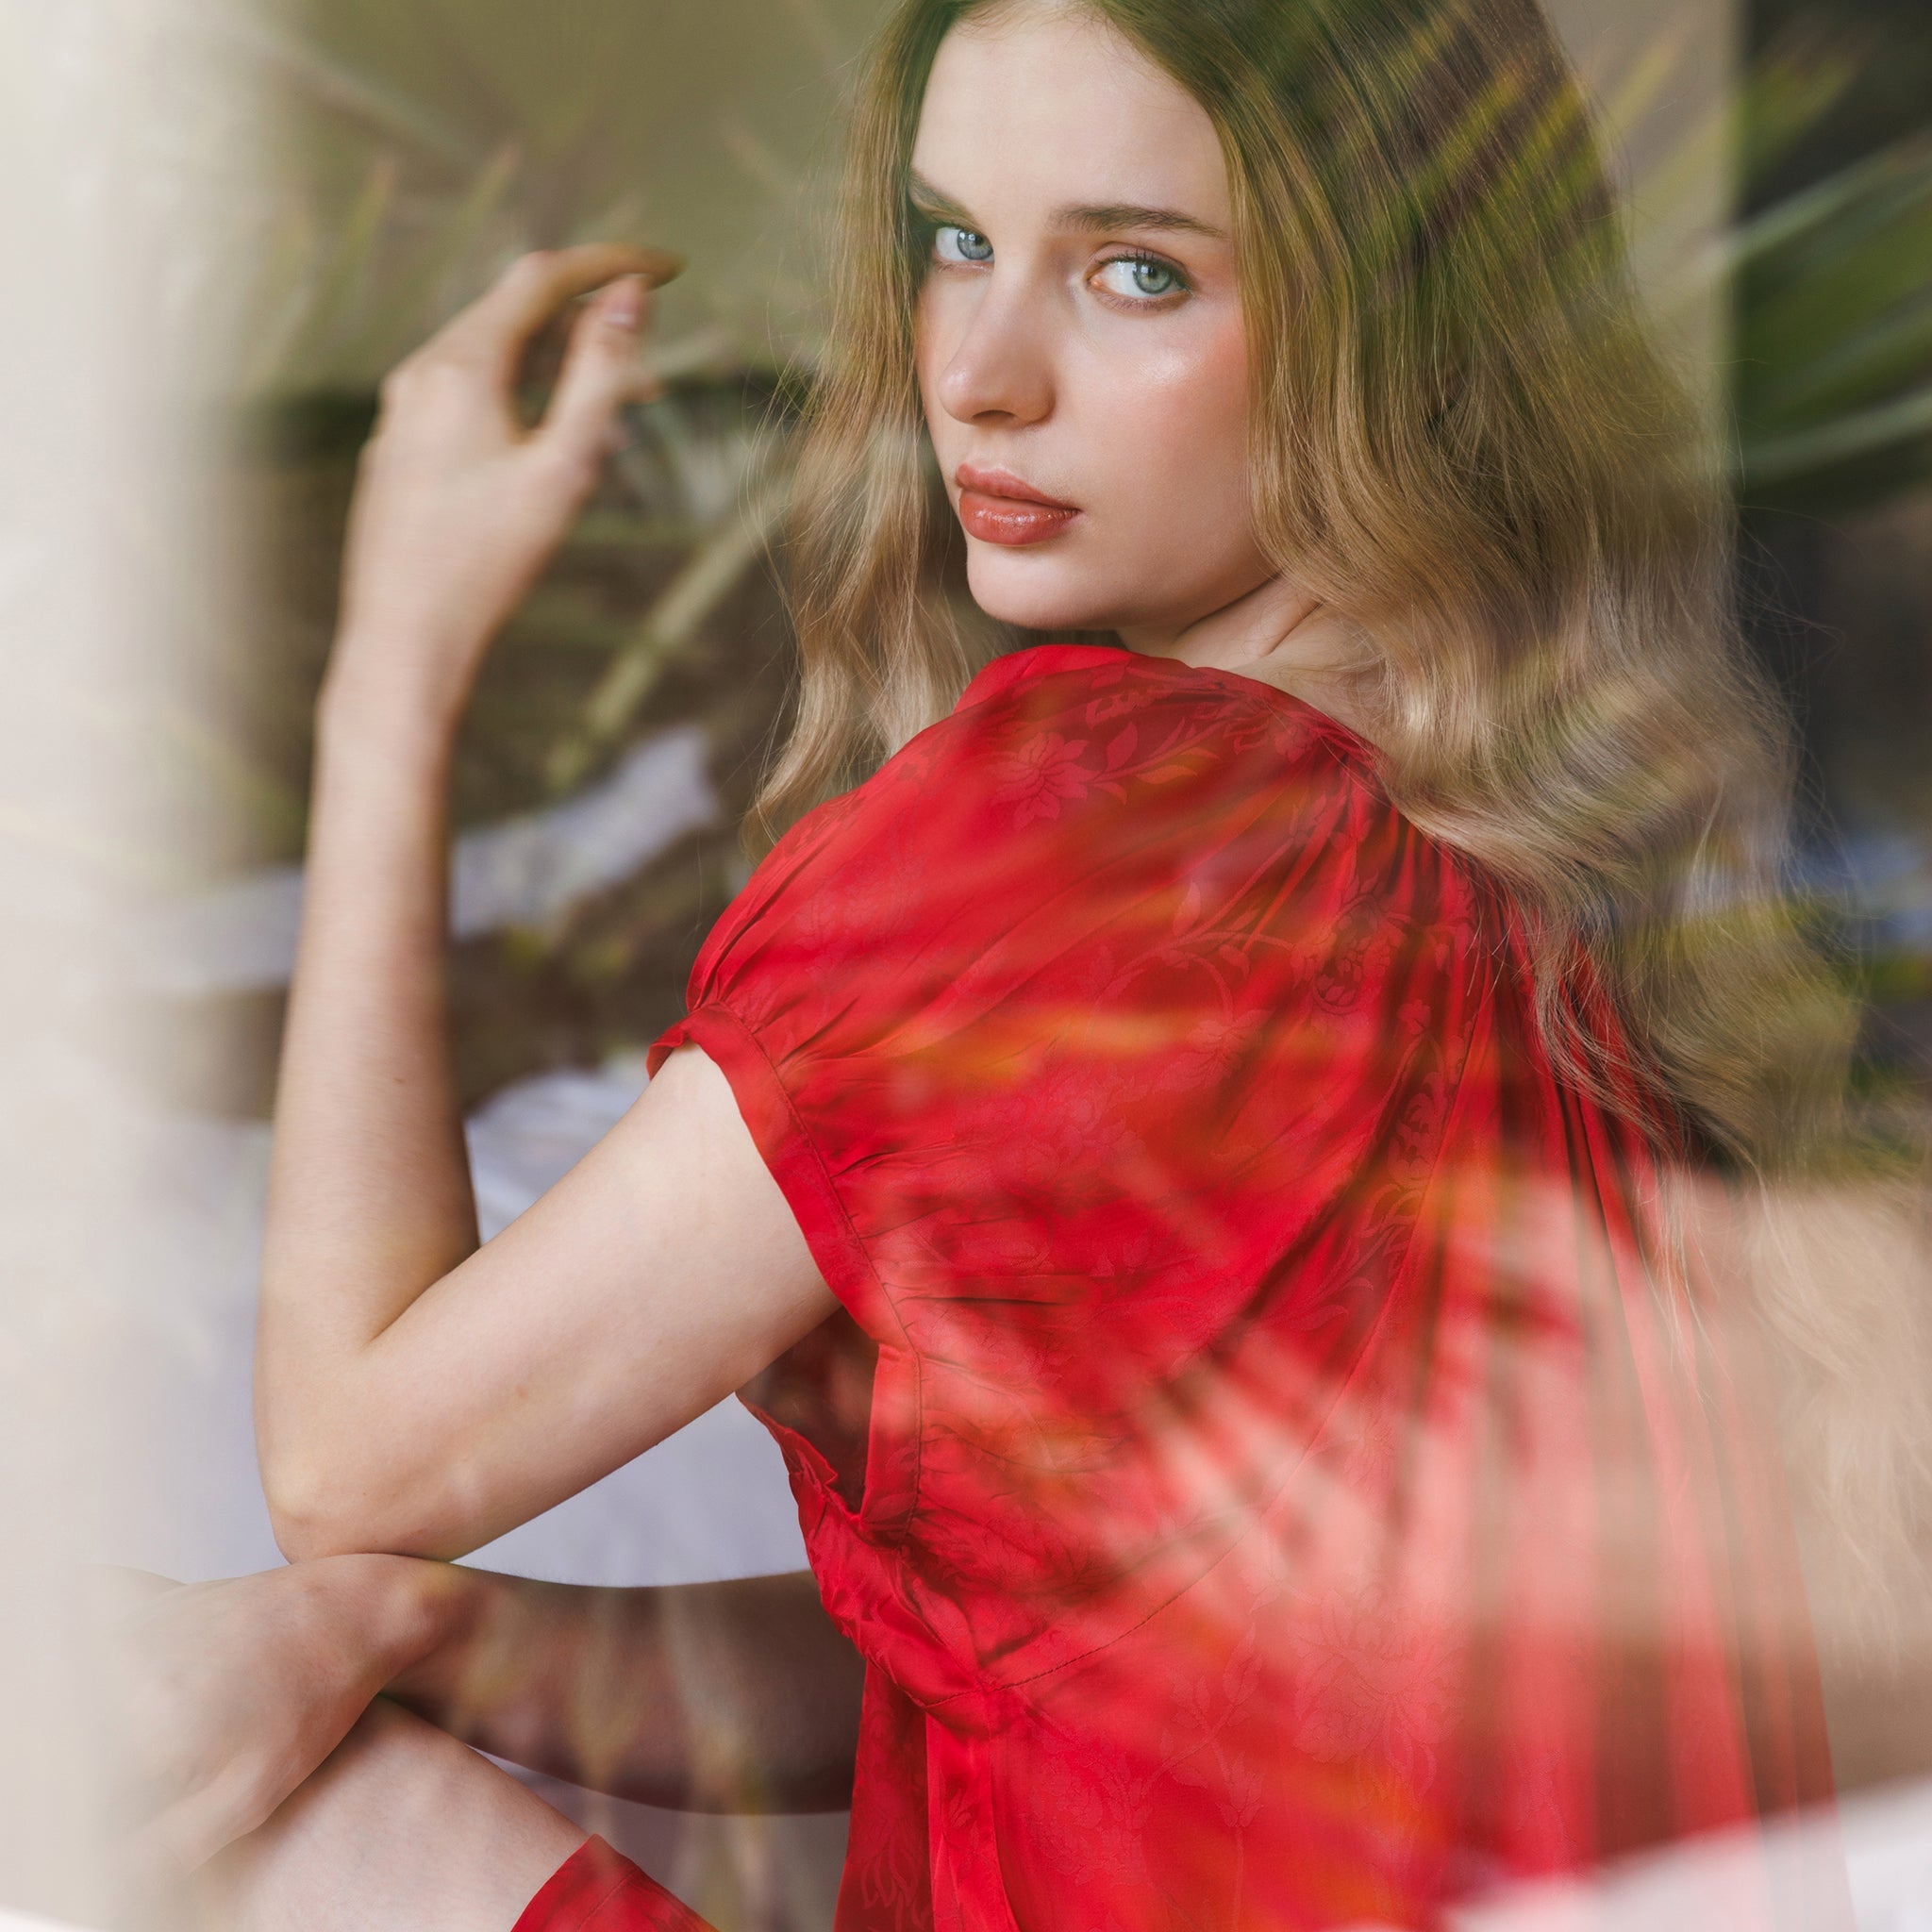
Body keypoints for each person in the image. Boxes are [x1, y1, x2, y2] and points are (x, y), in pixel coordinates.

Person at [110, 0, 1925, 1925]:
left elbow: (349, 1463)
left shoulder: (1097, 826)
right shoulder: (1543, 868)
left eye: (1139, 273)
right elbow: (1059, 1660)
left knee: (136, 1728)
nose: (976, 375)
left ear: (1399, 336)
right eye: (955, 240)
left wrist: (397, 660)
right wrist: (421, 1627)